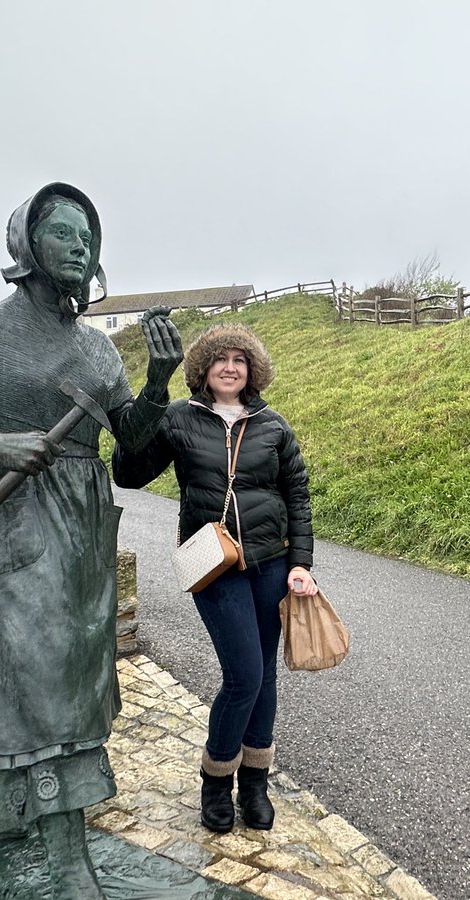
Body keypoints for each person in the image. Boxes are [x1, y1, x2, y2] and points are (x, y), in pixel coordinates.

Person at [0, 182, 183, 899]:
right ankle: (39, 844)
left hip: (78, 538)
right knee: (8, 680)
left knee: (69, 684)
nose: (80, 246)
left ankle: (59, 846)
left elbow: (128, 441)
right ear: (27, 246)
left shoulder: (97, 350)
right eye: (64, 233)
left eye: (88, 236)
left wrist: (157, 382)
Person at [111, 322, 315, 833]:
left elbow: (297, 496)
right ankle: (215, 780)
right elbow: (128, 473)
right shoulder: (179, 419)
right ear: (203, 369)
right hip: (212, 563)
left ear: (252, 370)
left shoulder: (273, 425)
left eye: (240, 360)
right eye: (220, 359)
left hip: (271, 562)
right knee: (244, 673)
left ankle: (254, 783)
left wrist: (301, 565)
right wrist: (152, 396)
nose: (230, 367)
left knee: (264, 675)